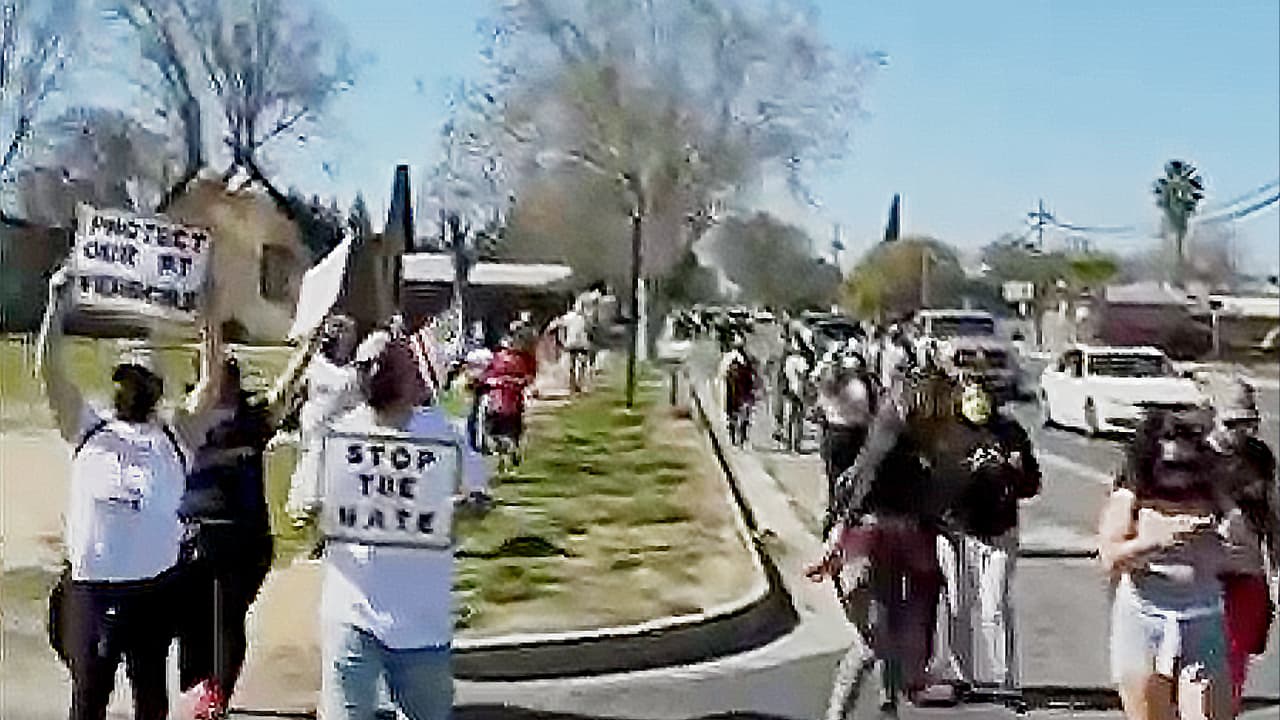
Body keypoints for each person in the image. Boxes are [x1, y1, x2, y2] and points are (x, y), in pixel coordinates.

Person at [39, 266, 188, 720]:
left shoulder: (175, 436)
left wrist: (211, 321)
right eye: (125, 378)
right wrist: (56, 306)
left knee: (151, 695)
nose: (131, 387)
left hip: (154, 591)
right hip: (91, 590)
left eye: (141, 379)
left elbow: (212, 384)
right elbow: (49, 370)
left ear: (157, 389)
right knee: (89, 694)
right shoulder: (87, 426)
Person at [319, 339, 490, 720]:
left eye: (385, 363)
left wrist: (465, 509)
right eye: (366, 363)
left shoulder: (445, 434)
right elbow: (302, 506)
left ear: (411, 374)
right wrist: (314, 512)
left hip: (422, 622)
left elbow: (480, 498)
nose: (375, 370)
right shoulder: (336, 435)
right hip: (351, 615)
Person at [172, 318, 316, 719]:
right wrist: (208, 329)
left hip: (244, 539)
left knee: (227, 616)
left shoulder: (257, 419)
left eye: (227, 376)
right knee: (192, 619)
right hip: (193, 538)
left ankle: (217, 695)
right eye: (213, 375)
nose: (221, 384)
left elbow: (289, 382)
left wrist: (311, 343)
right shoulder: (188, 421)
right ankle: (200, 686)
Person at [812, 368, 958, 716]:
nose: (949, 414)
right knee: (875, 641)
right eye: (944, 404)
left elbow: (929, 500)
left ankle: (888, 706)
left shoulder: (920, 442)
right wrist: (838, 538)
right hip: (866, 542)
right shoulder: (890, 437)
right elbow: (862, 488)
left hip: (897, 547)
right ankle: (837, 714)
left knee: (889, 636)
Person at [1100, 411, 1254, 720]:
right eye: (1169, 465)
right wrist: (1156, 541)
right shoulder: (1131, 496)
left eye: (1187, 465)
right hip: (1144, 617)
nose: (1178, 476)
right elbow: (1110, 558)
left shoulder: (1214, 496)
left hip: (1202, 616)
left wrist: (1227, 541)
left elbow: (1249, 559)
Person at [931, 378, 1040, 702]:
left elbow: (1032, 484)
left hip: (1000, 531)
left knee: (995, 607)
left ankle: (1005, 680)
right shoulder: (945, 433)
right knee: (958, 606)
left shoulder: (1010, 432)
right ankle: (965, 677)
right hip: (956, 532)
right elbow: (932, 484)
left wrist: (1015, 471)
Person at [1202, 379, 1277, 714]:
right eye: (1231, 423)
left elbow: (1273, 515)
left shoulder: (1259, 457)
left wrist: (1276, 571)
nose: (1240, 432)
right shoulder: (1197, 457)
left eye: (1248, 423)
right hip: (1203, 574)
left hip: (1247, 572)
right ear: (1213, 416)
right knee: (1200, 659)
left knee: (1236, 655)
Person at [287, 315, 362, 522]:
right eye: (334, 328)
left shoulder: (354, 374)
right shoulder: (312, 365)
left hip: (340, 447)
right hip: (312, 441)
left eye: (343, 329)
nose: (336, 334)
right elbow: (295, 397)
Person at [815, 352, 876, 537]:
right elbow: (868, 415)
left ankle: (834, 514)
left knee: (834, 479)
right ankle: (844, 517)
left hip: (833, 434)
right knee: (852, 479)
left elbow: (819, 409)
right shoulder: (860, 387)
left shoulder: (830, 385)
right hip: (853, 435)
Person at [481, 335, 535, 463]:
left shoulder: (514, 358)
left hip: (505, 403)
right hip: (505, 402)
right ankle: (507, 451)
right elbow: (529, 377)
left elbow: (485, 377)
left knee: (504, 426)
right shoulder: (517, 358)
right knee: (507, 427)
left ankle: (507, 451)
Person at [719, 337, 759, 447]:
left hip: (743, 390)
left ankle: (741, 435)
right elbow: (723, 373)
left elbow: (752, 374)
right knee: (734, 411)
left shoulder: (746, 358)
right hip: (734, 390)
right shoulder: (730, 357)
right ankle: (735, 435)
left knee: (742, 412)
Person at [775, 337, 812, 452]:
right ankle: (793, 443)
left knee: (791, 418)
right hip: (795, 389)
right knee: (795, 418)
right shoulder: (797, 360)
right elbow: (803, 376)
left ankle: (791, 443)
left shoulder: (790, 360)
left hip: (792, 390)